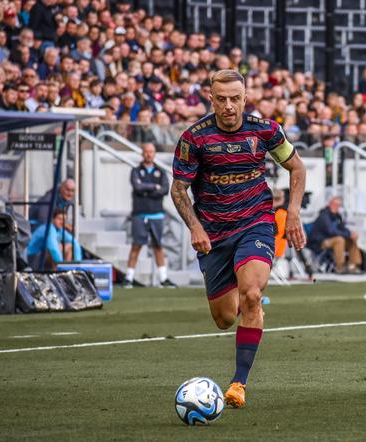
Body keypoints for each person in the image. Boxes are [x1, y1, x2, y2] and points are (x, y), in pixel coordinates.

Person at [170, 69, 306, 409]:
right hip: (213, 233)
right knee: (224, 318)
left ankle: (238, 383)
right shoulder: (194, 138)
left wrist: (292, 213)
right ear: (210, 98)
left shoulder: (266, 131)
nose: (229, 106)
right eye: (221, 99)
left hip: (255, 223)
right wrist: (195, 227)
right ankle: (251, 312)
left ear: (245, 98)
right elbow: (178, 190)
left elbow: (297, 168)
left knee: (252, 293)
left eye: (235, 98)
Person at [123, 142, 175, 288]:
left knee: (158, 246)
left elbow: (164, 190)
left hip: (157, 214)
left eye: (151, 152)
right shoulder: (135, 171)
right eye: (146, 151)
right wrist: (154, 187)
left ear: (154, 154)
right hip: (140, 214)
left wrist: (147, 190)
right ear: (142, 153)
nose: (149, 154)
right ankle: (129, 278)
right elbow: (137, 187)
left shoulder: (160, 172)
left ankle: (163, 278)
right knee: (136, 246)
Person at [307, 196, 363, 274]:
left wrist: (351, 234)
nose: (337, 207)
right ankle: (339, 267)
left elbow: (342, 228)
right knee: (339, 240)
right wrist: (348, 234)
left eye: (338, 205)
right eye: (335, 204)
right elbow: (331, 231)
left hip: (332, 240)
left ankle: (353, 266)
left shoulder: (337, 216)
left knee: (351, 240)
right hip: (320, 242)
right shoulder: (324, 216)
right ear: (330, 204)